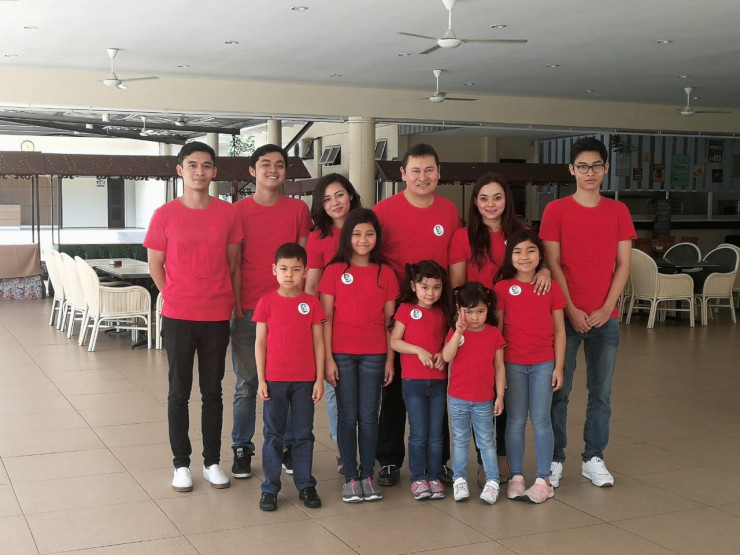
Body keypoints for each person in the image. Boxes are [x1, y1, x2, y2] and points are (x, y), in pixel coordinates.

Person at [144, 141, 242, 492]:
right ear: (180, 170)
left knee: (212, 392)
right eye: (192, 165)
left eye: (206, 165)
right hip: (179, 316)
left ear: (214, 171)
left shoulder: (228, 214)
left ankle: (212, 462)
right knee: (178, 392)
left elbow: (233, 265)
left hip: (216, 315)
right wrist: (172, 294)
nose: (199, 171)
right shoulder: (164, 214)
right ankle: (181, 464)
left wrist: (235, 305)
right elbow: (155, 265)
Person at [539, 136, 635, 488]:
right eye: (583, 166)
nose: (589, 172)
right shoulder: (556, 210)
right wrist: (571, 308)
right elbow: (553, 263)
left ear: (605, 168)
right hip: (564, 317)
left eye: (596, 166)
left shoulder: (618, 211)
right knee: (558, 391)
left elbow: (623, 264)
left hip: (605, 319)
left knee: (601, 393)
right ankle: (554, 459)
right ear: (572, 170)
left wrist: (607, 307)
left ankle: (594, 457)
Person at [448, 172, 551, 487]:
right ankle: (485, 459)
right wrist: (465, 324)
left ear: (507, 200)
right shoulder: (463, 237)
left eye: (497, 197)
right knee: (478, 392)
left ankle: (502, 456)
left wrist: (545, 269)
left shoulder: (522, 233)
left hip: (514, 327)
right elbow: (457, 287)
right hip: (476, 328)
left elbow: (536, 261)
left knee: (504, 391)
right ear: (475, 203)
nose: (490, 204)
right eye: (483, 198)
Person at [374, 143, 461, 487]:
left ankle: (439, 462)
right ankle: (389, 460)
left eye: (429, 170)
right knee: (395, 387)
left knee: (437, 384)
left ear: (439, 173)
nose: (422, 177)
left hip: (438, 311)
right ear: (403, 174)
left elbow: (455, 261)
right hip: (397, 311)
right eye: (415, 171)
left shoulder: (449, 211)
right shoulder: (384, 211)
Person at [230, 144, 311, 481]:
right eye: (265, 164)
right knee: (248, 383)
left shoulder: (299, 210)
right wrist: (237, 305)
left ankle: (288, 446)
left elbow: (304, 262)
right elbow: (234, 263)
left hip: (289, 312)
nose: (273, 170)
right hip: (249, 308)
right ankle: (242, 448)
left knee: (287, 384)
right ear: (253, 170)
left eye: (279, 164)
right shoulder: (237, 211)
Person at [318, 208, 399, 503]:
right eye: (356, 234)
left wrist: (389, 360)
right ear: (347, 237)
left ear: (377, 237)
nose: (363, 239)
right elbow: (326, 319)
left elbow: (390, 323)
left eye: (369, 233)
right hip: (341, 355)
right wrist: (328, 360)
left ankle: (367, 475)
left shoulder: (385, 273)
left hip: (375, 355)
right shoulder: (334, 271)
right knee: (347, 415)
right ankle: (350, 477)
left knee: (368, 416)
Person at [493, 229, 566, 504]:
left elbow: (560, 331)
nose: (524, 257)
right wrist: (499, 370)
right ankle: (516, 476)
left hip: (543, 364)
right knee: (514, 421)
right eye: (517, 252)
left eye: (531, 251)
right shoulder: (502, 288)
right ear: (509, 257)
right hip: (512, 364)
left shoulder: (551, 287)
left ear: (540, 255)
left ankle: (543, 479)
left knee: (542, 421)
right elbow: (498, 333)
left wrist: (559, 367)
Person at [254, 243, 326, 512]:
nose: (289, 274)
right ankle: (270, 488)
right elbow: (260, 343)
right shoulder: (266, 302)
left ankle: (306, 484)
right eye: (284, 269)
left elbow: (319, 343)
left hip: (305, 381)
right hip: (274, 380)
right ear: (274, 270)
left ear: (305, 272)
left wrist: (319, 379)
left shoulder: (312, 303)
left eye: (296, 269)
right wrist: (261, 379)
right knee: (273, 434)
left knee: (303, 434)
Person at [305, 173, 362, 474]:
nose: (335, 203)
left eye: (339, 195)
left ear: (350, 194)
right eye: (327, 199)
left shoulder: (366, 227)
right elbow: (312, 287)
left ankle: (366, 449)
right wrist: (310, 325)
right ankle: (343, 452)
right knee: (334, 390)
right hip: (331, 326)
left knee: (367, 394)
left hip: (365, 323)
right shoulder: (318, 238)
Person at [389, 260, 451, 500]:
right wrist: (418, 350)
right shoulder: (406, 309)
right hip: (413, 382)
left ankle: (434, 476)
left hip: (438, 382)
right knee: (418, 433)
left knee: (436, 434)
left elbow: (448, 343)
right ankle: (418, 478)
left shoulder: (442, 312)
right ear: (414, 286)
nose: (430, 293)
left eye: (436, 287)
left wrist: (442, 355)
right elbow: (395, 341)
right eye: (425, 287)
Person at [442, 282, 506, 504]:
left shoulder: (494, 334)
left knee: (486, 441)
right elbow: (447, 357)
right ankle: (459, 479)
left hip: (484, 399)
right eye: (468, 312)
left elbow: (499, 367)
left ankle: (492, 480)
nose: (475, 317)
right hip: (458, 398)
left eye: (480, 311)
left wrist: (500, 395)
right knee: (460, 440)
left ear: (488, 309)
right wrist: (458, 332)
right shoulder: (456, 332)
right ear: (459, 310)